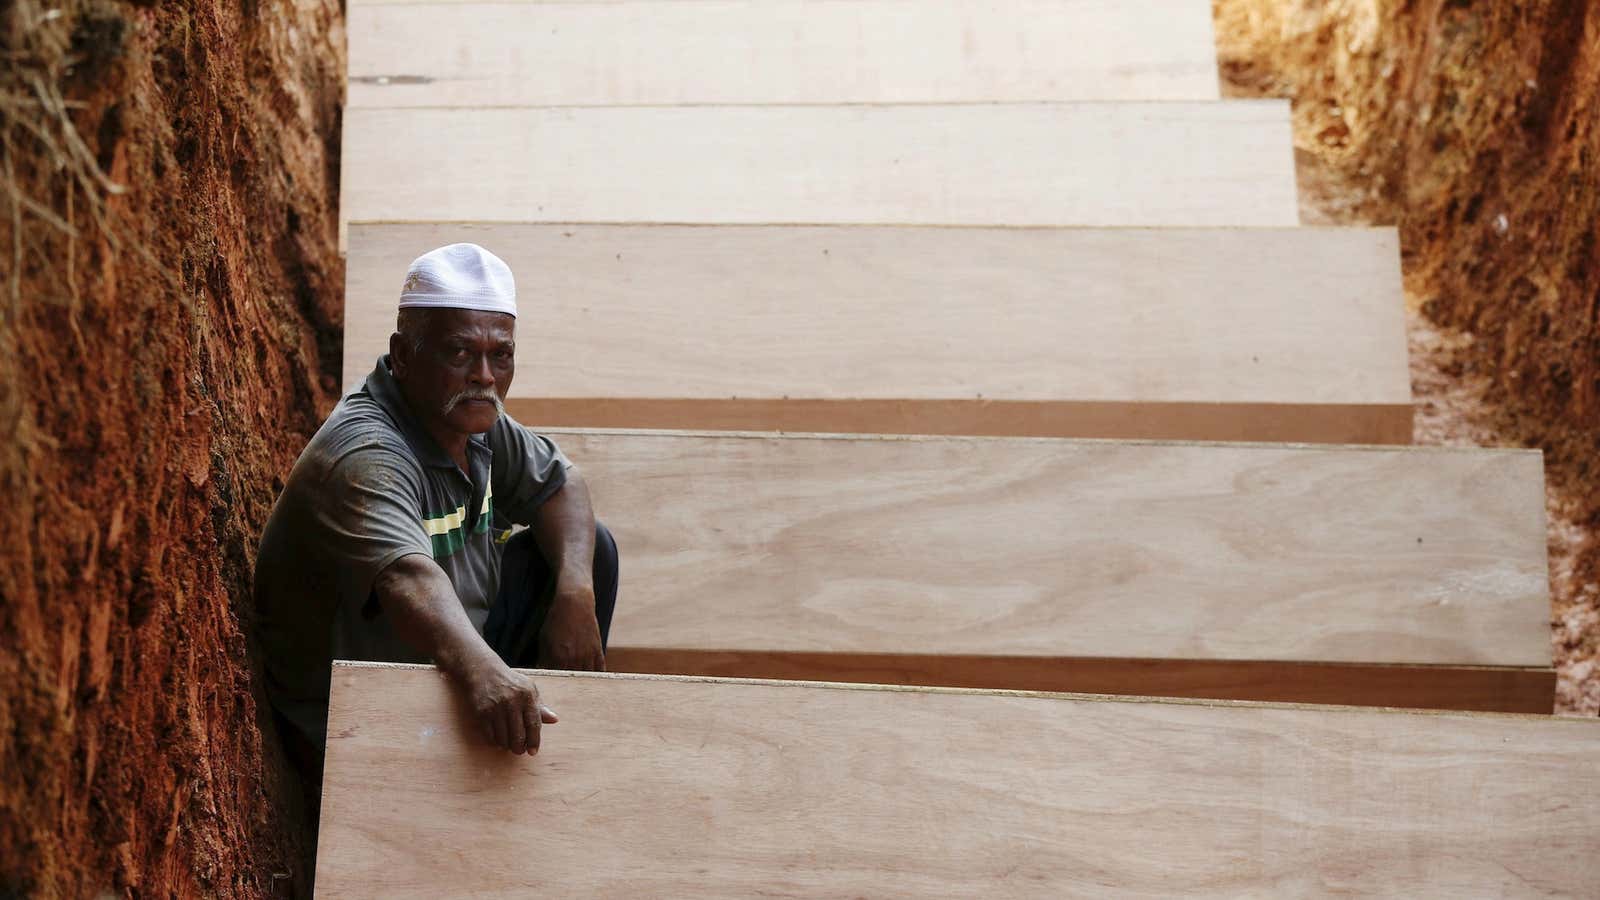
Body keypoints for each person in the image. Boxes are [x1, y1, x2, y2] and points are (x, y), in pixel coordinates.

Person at [254, 242, 617, 782]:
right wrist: (482, 670)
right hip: (356, 709)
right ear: (403, 355)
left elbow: (561, 481)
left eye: (502, 355)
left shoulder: (469, 418)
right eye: (459, 353)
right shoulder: (367, 454)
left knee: (591, 553)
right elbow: (407, 578)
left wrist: (574, 594)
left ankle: (540, 749)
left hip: (443, 655)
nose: (485, 376)